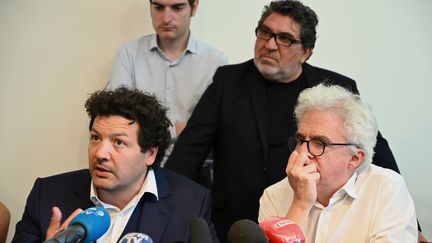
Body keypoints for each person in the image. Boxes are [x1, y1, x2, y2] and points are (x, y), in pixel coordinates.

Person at [164, 0, 420, 241]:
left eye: (285, 39)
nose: (270, 44)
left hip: (309, 215)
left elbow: (376, 150)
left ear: (305, 52)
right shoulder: (228, 81)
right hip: (236, 225)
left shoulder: (335, 89)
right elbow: (189, 151)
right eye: (265, 32)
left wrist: (412, 225)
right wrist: (161, 205)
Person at [12, 87, 218, 243]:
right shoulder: (47, 196)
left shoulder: (191, 203)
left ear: (150, 154)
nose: (100, 153)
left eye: (118, 142)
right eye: (95, 138)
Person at [258, 84, 418, 242]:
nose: (302, 153)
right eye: (300, 140)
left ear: (355, 158)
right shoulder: (274, 196)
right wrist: (300, 205)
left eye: (319, 143)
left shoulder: (386, 188)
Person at [108, 0, 228, 165]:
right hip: (137, 165)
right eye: (158, 7)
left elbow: (217, 130)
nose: (166, 18)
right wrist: (178, 130)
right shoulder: (128, 55)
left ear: (194, 8)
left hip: (195, 168)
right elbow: (117, 120)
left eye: (177, 8)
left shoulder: (216, 62)